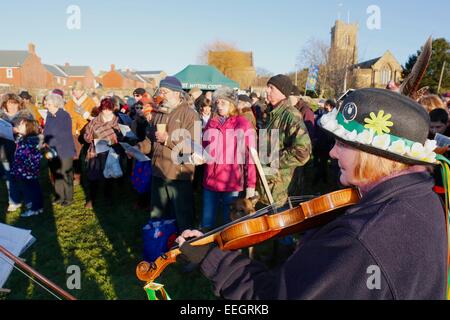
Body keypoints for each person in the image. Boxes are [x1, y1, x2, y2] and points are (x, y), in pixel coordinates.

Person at [175, 88, 449, 300]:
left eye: (342, 143)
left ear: (376, 154)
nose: (332, 152)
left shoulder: (361, 238)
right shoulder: (422, 195)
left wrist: (212, 258)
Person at [201, 87, 257, 230]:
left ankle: (230, 252)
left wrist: (251, 185)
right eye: (217, 102)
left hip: (231, 182)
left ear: (232, 104)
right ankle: (205, 251)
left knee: (230, 224)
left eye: (223, 102)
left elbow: (250, 157)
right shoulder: (211, 123)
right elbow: (204, 148)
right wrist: (199, 156)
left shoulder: (243, 124)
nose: (219, 106)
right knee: (207, 222)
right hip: (210, 180)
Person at [148, 76, 199, 232]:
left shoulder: (190, 114)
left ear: (177, 93)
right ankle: (158, 247)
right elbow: (150, 139)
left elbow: (194, 146)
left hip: (179, 174)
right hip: (158, 171)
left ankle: (186, 250)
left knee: (183, 217)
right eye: (161, 91)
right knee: (157, 215)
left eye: (165, 91)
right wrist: (136, 148)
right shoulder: (159, 113)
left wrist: (168, 139)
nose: (161, 95)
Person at [258, 75, 312, 206]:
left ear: (282, 92)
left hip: (278, 191)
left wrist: (273, 160)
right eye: (267, 87)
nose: (267, 90)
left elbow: (303, 152)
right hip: (264, 187)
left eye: (271, 88)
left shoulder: (290, 115)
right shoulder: (271, 114)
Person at [83, 97, 123, 209]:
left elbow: (122, 137)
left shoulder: (118, 121)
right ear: (101, 108)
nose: (106, 111)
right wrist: (89, 138)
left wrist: (114, 141)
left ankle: (108, 199)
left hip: (110, 152)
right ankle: (91, 199)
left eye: (109, 109)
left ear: (112, 109)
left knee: (109, 178)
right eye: (104, 109)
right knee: (92, 177)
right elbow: (86, 134)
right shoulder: (94, 121)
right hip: (95, 152)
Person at [0, 94, 34, 212]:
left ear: (19, 104)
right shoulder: (1, 116)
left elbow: (34, 130)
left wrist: (22, 131)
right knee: (9, 177)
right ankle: (14, 201)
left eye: (14, 103)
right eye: (10, 103)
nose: (12, 106)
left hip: (21, 150)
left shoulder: (26, 115)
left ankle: (29, 199)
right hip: (4, 150)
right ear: (5, 104)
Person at [43, 94, 76, 207]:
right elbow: (46, 131)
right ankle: (59, 196)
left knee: (65, 174)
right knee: (55, 173)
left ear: (56, 104)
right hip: (51, 149)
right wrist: (45, 141)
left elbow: (63, 134)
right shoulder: (49, 115)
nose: (45, 105)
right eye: (46, 103)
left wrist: (50, 141)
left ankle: (69, 198)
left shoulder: (64, 115)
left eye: (48, 104)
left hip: (64, 149)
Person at [64, 81, 96, 184]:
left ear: (82, 91)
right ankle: (77, 176)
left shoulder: (90, 102)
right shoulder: (69, 103)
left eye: (78, 90)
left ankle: (86, 175)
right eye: (74, 90)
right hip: (73, 132)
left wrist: (85, 114)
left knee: (85, 155)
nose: (76, 92)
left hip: (86, 132)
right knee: (75, 155)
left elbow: (95, 118)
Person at [11, 119, 43, 217]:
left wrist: (29, 169)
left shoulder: (31, 140)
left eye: (22, 125)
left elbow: (34, 157)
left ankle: (35, 208)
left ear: (28, 128)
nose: (19, 126)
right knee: (31, 188)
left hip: (28, 171)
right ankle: (37, 206)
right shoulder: (24, 138)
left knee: (33, 189)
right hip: (24, 170)